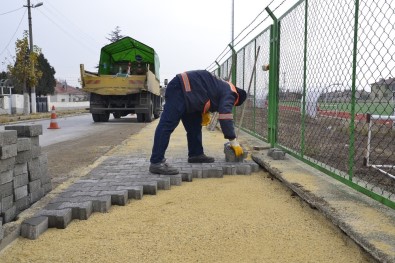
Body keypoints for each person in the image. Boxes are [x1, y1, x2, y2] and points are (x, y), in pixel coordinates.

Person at [149, 70, 247, 175]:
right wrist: (233, 140)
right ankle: (156, 162)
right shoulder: (231, 93)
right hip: (180, 88)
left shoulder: (223, 85)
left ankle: (196, 154)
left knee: (194, 125)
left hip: (188, 93)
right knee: (167, 125)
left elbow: (206, 92)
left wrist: (204, 111)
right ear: (237, 99)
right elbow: (225, 116)